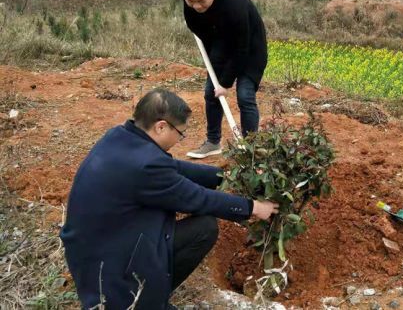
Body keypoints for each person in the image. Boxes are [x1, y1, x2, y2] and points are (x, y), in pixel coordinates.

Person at [60, 88, 278, 309]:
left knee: (176, 222)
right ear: (161, 126)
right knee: (204, 228)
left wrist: (229, 176)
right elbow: (197, 198)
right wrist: (253, 207)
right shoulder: (146, 166)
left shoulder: (121, 137)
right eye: (180, 133)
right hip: (108, 268)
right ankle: (145, 301)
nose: (180, 139)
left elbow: (175, 168)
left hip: (96, 246)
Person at [179, 0, 268, 158]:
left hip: (251, 47)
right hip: (221, 42)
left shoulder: (234, 5)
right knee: (211, 93)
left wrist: (225, 83)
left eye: (201, 1)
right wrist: (216, 69)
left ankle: (251, 147)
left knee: (245, 95)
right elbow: (198, 28)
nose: (196, 6)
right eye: (190, 1)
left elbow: (241, 50)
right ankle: (213, 142)